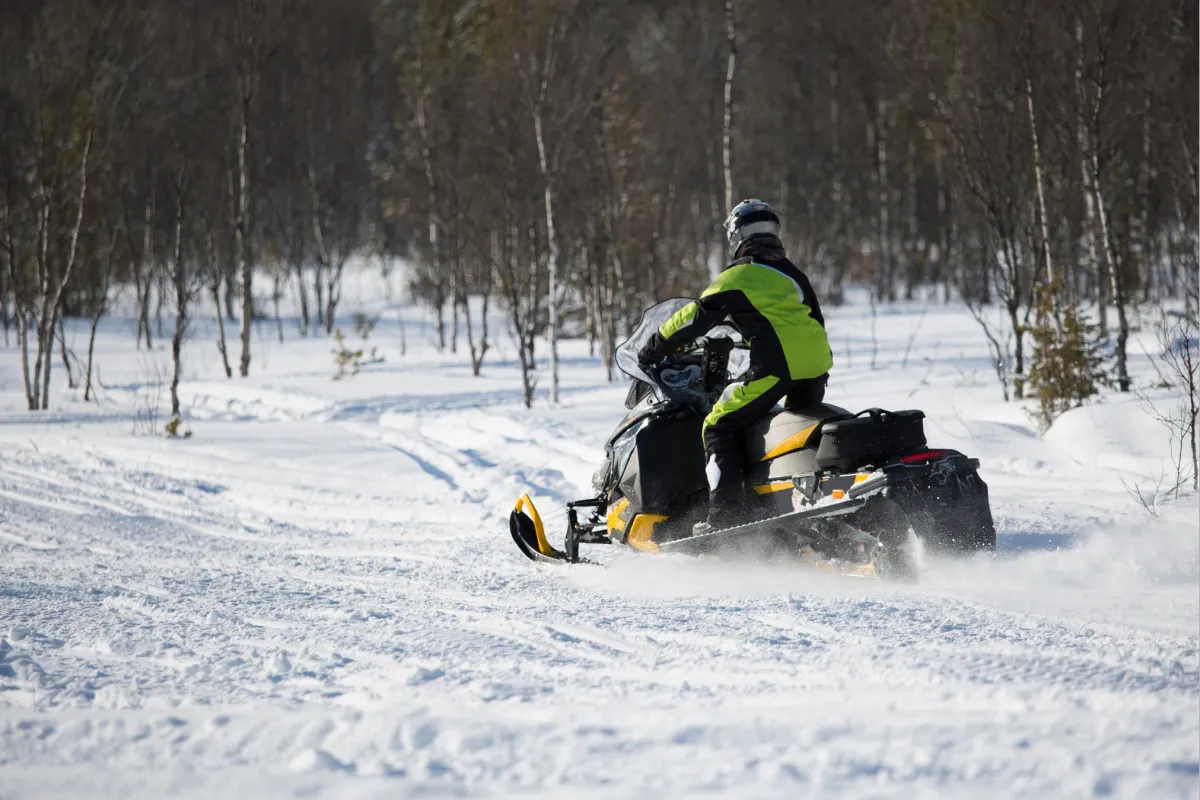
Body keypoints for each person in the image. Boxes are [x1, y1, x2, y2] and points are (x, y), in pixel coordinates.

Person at [637, 199, 833, 534]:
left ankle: (725, 521)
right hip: (816, 364)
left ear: (736, 236)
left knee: (719, 425)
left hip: (777, 365)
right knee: (791, 430)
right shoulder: (793, 274)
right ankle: (790, 496)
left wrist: (655, 346)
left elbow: (694, 317)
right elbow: (812, 319)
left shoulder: (738, 275)